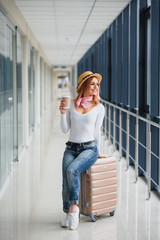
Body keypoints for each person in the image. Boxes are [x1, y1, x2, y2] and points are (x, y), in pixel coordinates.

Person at [59, 71, 107, 230]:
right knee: (65, 180)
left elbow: (97, 132)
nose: (96, 87)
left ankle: (74, 209)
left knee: (72, 170)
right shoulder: (72, 104)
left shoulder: (99, 108)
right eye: (92, 83)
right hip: (71, 148)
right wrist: (63, 113)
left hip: (89, 148)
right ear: (83, 85)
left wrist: (98, 151)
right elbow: (65, 129)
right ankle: (67, 214)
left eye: (97, 84)